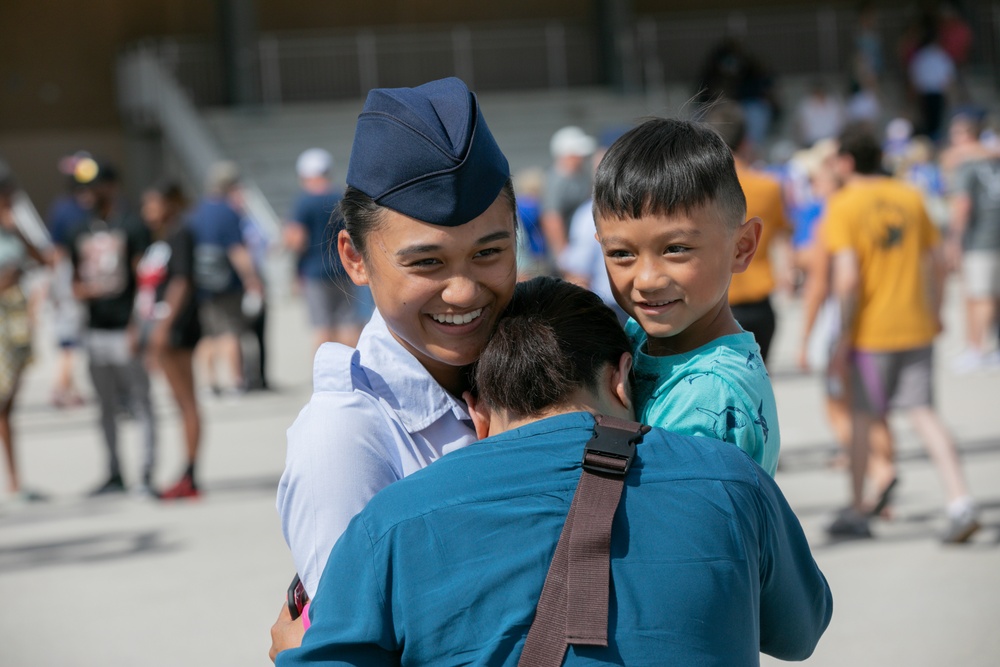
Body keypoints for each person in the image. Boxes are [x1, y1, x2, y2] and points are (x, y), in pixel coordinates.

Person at [273, 277, 833, 665]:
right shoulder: (733, 482)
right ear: (621, 378)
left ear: (478, 411)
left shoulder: (389, 525)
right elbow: (800, 632)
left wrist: (288, 649)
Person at [276, 77, 517, 605]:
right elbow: (350, 647)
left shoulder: (548, 372)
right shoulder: (346, 436)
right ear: (354, 257)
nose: (463, 291)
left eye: (489, 253)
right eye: (427, 262)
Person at [593, 117, 780, 476]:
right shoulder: (639, 333)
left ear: (742, 247)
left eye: (675, 249)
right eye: (621, 254)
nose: (646, 280)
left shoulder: (708, 393)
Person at [823, 123, 979, 543]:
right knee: (924, 413)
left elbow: (848, 278)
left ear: (846, 161)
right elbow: (940, 259)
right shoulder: (911, 196)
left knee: (861, 420)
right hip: (916, 324)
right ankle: (960, 499)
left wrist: (843, 338)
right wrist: (936, 310)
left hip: (872, 333)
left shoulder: (843, 204)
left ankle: (858, 509)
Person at [64, 159, 157, 496]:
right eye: (81, 187)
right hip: (95, 330)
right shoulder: (79, 230)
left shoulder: (131, 226)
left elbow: (145, 281)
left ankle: (145, 473)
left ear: (110, 187)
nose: (85, 194)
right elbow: (72, 279)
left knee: (140, 402)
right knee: (104, 407)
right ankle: (114, 473)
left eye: (92, 186)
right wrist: (79, 292)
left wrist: (138, 325)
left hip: (125, 327)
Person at [705, 102, 793, 365]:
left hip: (713, 305)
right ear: (746, 141)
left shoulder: (700, 191)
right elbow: (783, 239)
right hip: (760, 303)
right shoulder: (770, 187)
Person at [136, 181, 203, 499]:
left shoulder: (180, 233)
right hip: (161, 324)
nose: (147, 211)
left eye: (152, 204)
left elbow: (181, 280)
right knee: (178, 402)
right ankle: (186, 470)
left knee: (186, 401)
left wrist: (164, 325)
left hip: (176, 328)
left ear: (168, 204)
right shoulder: (161, 238)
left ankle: (190, 473)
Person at [189, 161, 263, 396]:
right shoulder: (228, 211)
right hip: (226, 282)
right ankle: (235, 381)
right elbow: (237, 250)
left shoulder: (196, 212)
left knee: (208, 334)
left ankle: (208, 383)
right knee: (230, 331)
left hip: (201, 283)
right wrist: (251, 279)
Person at [283, 148, 365, 353]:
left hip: (314, 272)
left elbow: (296, 240)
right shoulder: (341, 196)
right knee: (348, 322)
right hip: (344, 269)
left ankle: (326, 378)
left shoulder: (304, 201)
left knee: (322, 326)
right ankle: (352, 373)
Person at [0, 160, 48, 502]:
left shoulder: (12, 230)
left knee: (8, 404)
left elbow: (45, 260)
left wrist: (15, 230)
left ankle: (15, 481)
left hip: (17, 320)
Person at [946, 139, 1000, 372]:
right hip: (989, 238)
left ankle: (978, 350)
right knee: (985, 296)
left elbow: (963, 205)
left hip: (979, 241)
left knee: (980, 297)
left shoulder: (967, 168)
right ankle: (979, 347)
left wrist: (954, 240)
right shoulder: (991, 163)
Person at [540, 126, 595, 258]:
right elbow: (551, 218)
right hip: (567, 253)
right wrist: (564, 257)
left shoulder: (580, 176)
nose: (582, 157)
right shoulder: (557, 179)